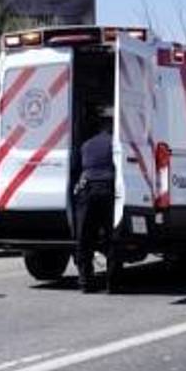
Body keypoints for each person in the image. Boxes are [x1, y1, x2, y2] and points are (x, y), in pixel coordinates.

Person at [73, 115, 117, 293]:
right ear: (111, 127)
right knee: (110, 238)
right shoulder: (115, 144)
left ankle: (85, 282)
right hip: (107, 190)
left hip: (87, 191)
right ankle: (112, 284)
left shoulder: (86, 145)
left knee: (84, 239)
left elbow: (79, 167)